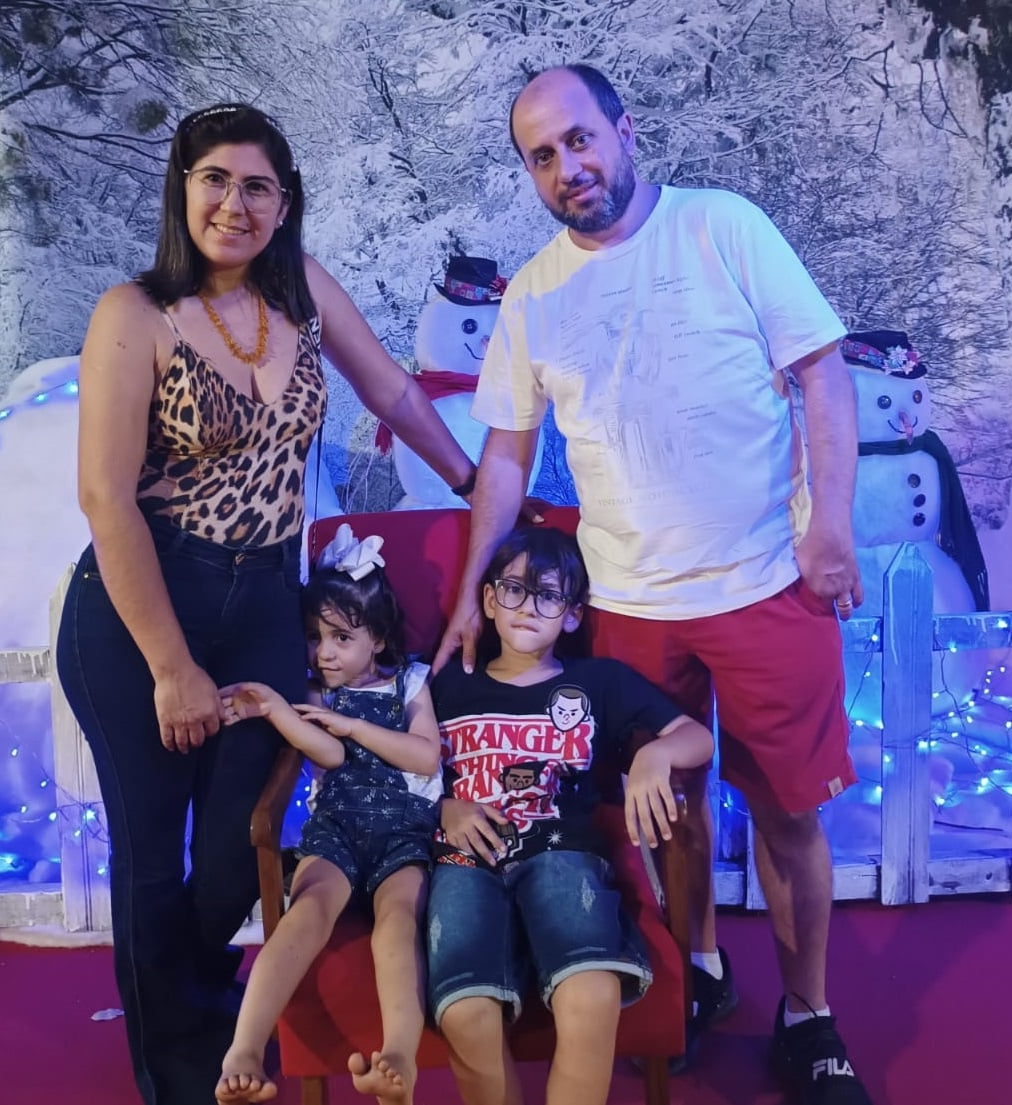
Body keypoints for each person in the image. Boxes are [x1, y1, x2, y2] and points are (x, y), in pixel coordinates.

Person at [433, 65, 874, 1105]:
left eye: (580, 139)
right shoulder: (534, 293)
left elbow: (821, 372)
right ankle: (700, 969)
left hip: (766, 583)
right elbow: (506, 455)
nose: (568, 167)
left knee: (789, 816)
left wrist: (832, 527)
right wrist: (465, 596)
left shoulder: (724, 227)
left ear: (624, 131)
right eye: (542, 156)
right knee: (662, 810)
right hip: (627, 600)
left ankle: (807, 1016)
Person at [54, 103, 476, 1105]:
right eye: (214, 180)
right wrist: (171, 667)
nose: (233, 204)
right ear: (182, 190)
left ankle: (201, 1015)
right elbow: (106, 499)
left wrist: (474, 484)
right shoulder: (134, 313)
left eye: (256, 186)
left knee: (239, 848)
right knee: (150, 859)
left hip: (263, 599)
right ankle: (184, 1077)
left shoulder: (303, 293)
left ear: (285, 204)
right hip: (142, 600)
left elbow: (394, 394)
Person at [429, 527, 715, 1105]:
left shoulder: (596, 682)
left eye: (548, 595)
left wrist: (655, 754)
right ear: (489, 600)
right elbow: (392, 769)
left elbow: (697, 738)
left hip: (562, 853)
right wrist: (441, 807)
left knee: (593, 994)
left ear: (573, 614)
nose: (528, 607)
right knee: (465, 1011)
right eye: (514, 589)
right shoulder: (445, 687)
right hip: (466, 856)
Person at [215, 525, 441, 1104]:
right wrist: (276, 707)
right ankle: (244, 1048)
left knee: (397, 922)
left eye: (341, 637)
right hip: (337, 830)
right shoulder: (316, 692)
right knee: (308, 910)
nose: (324, 652)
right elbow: (329, 754)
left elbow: (424, 756)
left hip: (403, 835)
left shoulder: (410, 683)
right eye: (314, 637)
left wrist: (356, 725)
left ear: (379, 638)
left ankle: (399, 1055)